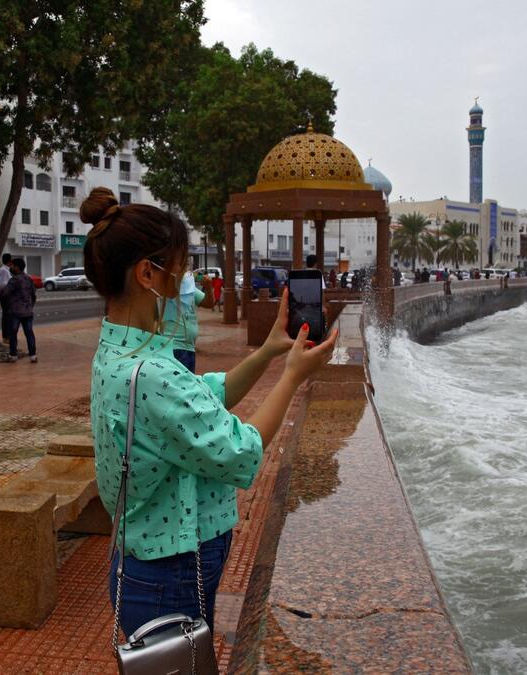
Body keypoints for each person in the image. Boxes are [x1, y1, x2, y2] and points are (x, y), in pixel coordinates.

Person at [78, 187, 337, 641]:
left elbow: (202, 397)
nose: (187, 283)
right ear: (146, 275)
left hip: (149, 564)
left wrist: (271, 352)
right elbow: (240, 451)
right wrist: (293, 376)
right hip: (170, 574)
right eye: (179, 270)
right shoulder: (152, 372)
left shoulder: (118, 351)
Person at [164, 271, 207, 373]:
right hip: (173, 347)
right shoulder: (162, 285)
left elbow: (208, 303)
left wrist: (208, 287)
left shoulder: (188, 285)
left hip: (189, 348)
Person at [1, 258, 38, 363]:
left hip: (16, 312)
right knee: (29, 333)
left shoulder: (14, 280)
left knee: (13, 333)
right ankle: (33, 355)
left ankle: (13, 355)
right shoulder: (28, 279)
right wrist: (30, 306)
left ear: (17, 267)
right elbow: (33, 295)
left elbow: (4, 293)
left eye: (12, 266)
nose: (10, 268)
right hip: (28, 312)